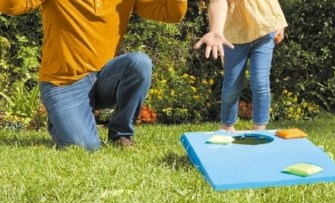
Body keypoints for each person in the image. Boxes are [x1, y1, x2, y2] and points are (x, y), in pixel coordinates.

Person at [0, 0, 187, 150]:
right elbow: (11, 6)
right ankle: (59, 120)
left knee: (139, 63)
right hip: (64, 83)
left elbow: (170, 13)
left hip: (104, 78)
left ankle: (121, 135)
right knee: (85, 147)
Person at [194, 0, 287, 132]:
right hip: (234, 35)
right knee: (231, 86)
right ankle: (227, 127)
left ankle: (260, 130)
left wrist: (279, 21)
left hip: (265, 28)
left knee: (260, 82)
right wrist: (215, 30)